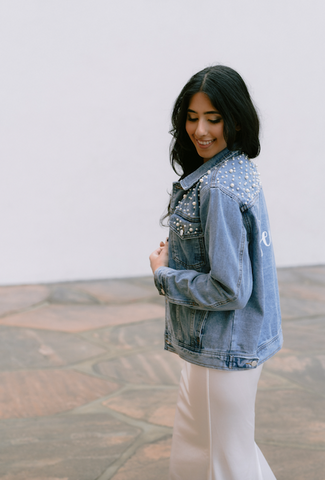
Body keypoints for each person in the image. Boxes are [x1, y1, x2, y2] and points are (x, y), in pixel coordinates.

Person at [149, 65, 282, 480]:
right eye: (192, 117)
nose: (200, 130)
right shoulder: (235, 168)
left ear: (235, 119)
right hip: (226, 345)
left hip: (221, 349)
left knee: (225, 464)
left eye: (213, 118)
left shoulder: (219, 188)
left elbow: (229, 288)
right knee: (204, 457)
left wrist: (164, 275)